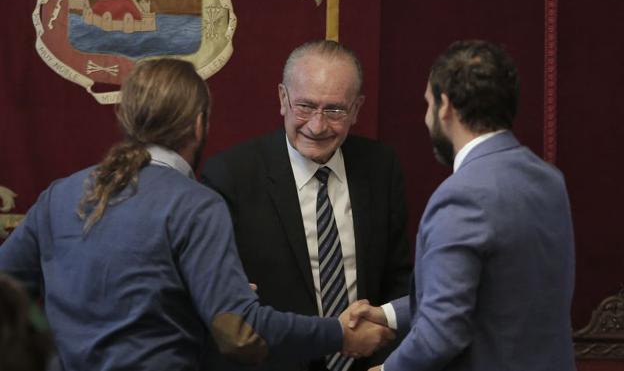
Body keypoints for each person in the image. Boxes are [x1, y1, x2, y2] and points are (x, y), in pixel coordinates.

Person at [0, 59, 394, 371]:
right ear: (199, 123)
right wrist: (336, 334)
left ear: (127, 117)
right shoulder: (196, 205)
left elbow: (6, 289)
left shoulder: (59, 196)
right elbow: (240, 334)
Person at [349, 40, 576, 371]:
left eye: (427, 105)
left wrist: (387, 370)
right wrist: (385, 314)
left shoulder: (462, 196)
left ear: (446, 106)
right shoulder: (550, 180)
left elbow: (443, 331)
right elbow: (490, 296)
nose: (426, 119)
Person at [200, 40, 412, 371]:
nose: (317, 125)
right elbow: (226, 310)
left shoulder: (381, 167)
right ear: (283, 99)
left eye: (334, 110)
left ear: (356, 109)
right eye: (305, 106)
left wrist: (387, 363)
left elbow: (399, 279)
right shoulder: (230, 177)